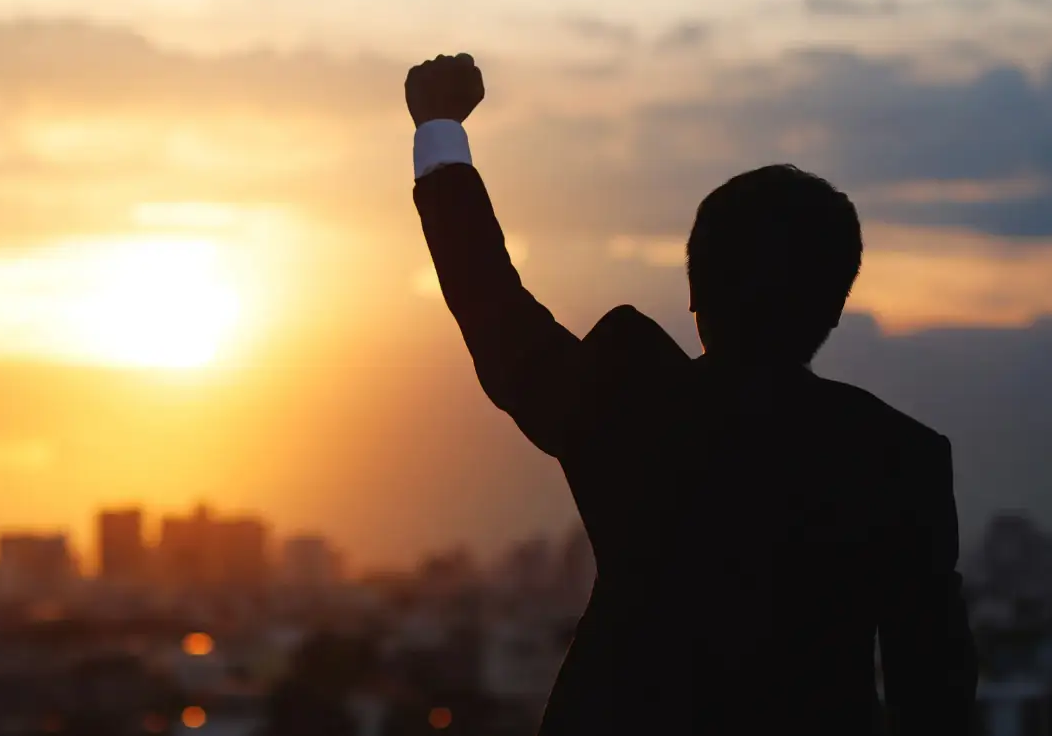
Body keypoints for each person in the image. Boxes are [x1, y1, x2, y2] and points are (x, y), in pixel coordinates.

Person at [407, 53, 977, 734]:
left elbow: (495, 309)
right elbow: (935, 695)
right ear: (834, 309)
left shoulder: (629, 407)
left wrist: (439, 129)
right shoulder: (900, 459)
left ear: (694, 293)